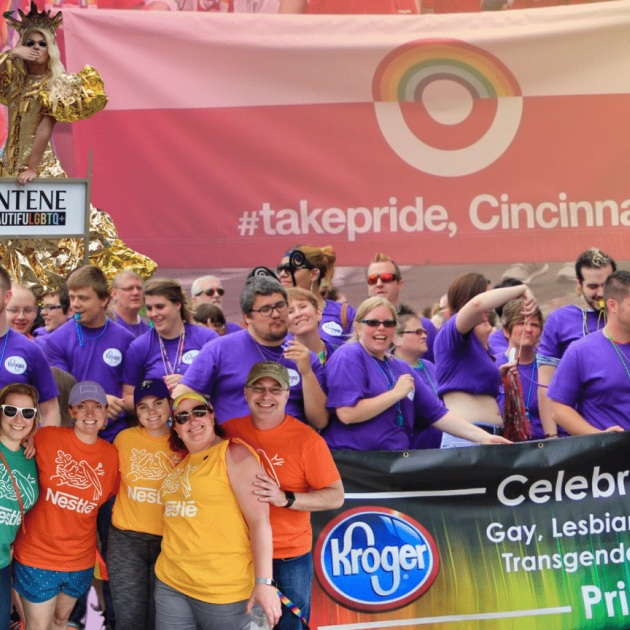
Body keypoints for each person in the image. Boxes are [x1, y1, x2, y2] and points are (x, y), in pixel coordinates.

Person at [0, 3, 154, 296]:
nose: (35, 48)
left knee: (51, 236)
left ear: (51, 48)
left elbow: (44, 129)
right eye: (29, 43)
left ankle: (50, 298)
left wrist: (32, 168)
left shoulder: (54, 84)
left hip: (37, 166)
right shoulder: (14, 79)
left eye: (41, 43)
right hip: (5, 162)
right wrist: (13, 53)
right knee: (9, 239)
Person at [223, 362, 343, 630]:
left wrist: (286, 498)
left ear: (288, 394)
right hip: (237, 554)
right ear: (246, 392)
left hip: (288, 556)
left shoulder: (307, 440)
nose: (266, 396)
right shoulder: (227, 431)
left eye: (275, 390)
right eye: (259, 388)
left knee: (289, 626)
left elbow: (335, 497)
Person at [155, 392, 282, 629]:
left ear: (212, 416)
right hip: (171, 582)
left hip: (226, 590)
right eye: (182, 417)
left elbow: (260, 521)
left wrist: (264, 582)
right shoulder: (181, 465)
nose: (192, 420)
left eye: (199, 412)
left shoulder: (234, 454)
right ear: (176, 429)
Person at [323, 297, 511, 451]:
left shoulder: (400, 367)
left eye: (388, 323)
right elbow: (347, 413)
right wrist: (395, 394)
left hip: (392, 463)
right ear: (358, 327)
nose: (381, 328)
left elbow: (437, 413)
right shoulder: (349, 355)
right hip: (355, 463)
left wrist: (484, 437)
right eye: (372, 322)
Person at [12, 381, 119, 630]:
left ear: (105, 413)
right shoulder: (45, 437)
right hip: (38, 556)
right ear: (71, 412)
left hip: (79, 560)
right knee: (37, 626)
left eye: (97, 407)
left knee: (61, 622)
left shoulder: (112, 455)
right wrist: (26, 442)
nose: (90, 414)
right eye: (82, 406)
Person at [173, 276, 328, 429]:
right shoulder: (219, 349)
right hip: (235, 448)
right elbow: (179, 396)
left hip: (287, 449)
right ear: (247, 317)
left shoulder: (304, 357)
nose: (276, 314)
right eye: (265, 309)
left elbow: (320, 421)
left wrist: (307, 373)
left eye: (280, 305)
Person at [108, 379, 182, 630]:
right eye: (143, 406)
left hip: (170, 541)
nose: (151, 412)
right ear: (136, 411)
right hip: (126, 541)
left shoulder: (184, 441)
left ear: (169, 405)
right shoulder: (124, 439)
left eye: (158, 404)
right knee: (128, 619)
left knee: (160, 619)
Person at [433, 274, 537, 448]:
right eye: (488, 296)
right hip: (466, 439)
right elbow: (477, 304)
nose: (492, 307)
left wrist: (497, 375)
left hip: (490, 436)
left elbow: (467, 380)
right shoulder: (450, 334)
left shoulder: (477, 346)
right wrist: (522, 289)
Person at [537, 247, 615, 439]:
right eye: (593, 286)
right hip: (572, 436)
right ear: (579, 284)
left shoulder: (624, 317)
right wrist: (551, 437)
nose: (601, 292)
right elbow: (545, 384)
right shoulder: (560, 320)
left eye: (606, 285)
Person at [547, 271, 630, 435]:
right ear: (613, 305)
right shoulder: (580, 351)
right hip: (610, 455)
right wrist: (598, 436)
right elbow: (558, 409)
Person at [122, 277, 218, 404]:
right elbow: (127, 398)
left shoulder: (207, 339)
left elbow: (226, 388)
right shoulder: (139, 347)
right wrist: (153, 396)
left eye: (160, 307)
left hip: (199, 419)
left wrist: (189, 386)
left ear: (177, 304)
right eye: (149, 308)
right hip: (158, 421)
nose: (153, 314)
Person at [0, 384, 39, 630]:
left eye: (27, 413)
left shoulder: (34, 457)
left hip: (3, 563)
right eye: (10, 410)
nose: (18, 418)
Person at [0, 267, 59, 426]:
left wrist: (42, 446)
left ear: (7, 297)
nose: (21, 316)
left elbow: (49, 410)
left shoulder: (30, 350)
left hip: (15, 448)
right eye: (15, 310)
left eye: (27, 310)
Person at [495, 300, 558, 440]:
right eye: (521, 323)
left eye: (534, 325)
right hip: (504, 450)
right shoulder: (493, 365)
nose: (528, 329)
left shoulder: (548, 367)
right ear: (506, 331)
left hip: (544, 450)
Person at [277, 245, 355, 350]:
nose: (282, 274)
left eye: (289, 269)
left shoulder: (345, 314)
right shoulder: (276, 316)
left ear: (313, 274)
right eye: (280, 269)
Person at [366, 253, 438, 362]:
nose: (379, 284)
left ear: (399, 284)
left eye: (386, 278)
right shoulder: (360, 327)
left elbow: (439, 371)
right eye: (372, 280)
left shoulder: (424, 327)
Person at [392, 307, 441, 449]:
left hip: (440, 449)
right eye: (417, 332)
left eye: (424, 331)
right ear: (396, 338)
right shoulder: (392, 368)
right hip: (412, 453)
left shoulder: (429, 366)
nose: (425, 336)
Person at [286, 288, 333, 365]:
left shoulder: (337, 353)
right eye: (290, 312)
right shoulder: (283, 362)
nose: (298, 314)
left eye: (303, 307)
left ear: (318, 313)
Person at [110, 270, 150, 339]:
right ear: (114, 294)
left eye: (139, 288)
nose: (136, 293)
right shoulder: (105, 327)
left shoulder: (150, 328)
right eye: (129, 288)